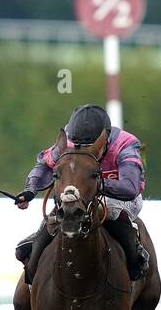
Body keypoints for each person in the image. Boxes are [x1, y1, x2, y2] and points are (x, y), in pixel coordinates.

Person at [13, 104, 150, 283]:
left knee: (106, 209)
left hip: (121, 197)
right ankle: (34, 263)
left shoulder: (126, 144)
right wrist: (30, 189)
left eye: (90, 146)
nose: (83, 150)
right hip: (79, 195)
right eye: (79, 146)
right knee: (61, 211)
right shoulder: (69, 140)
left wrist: (91, 182)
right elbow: (45, 165)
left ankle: (134, 251)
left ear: (105, 137)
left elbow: (130, 187)